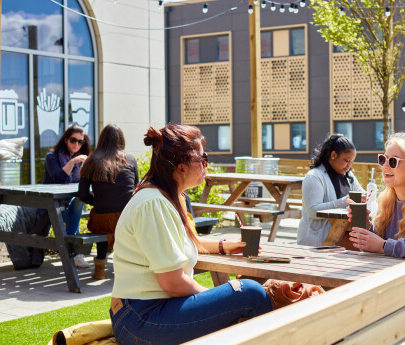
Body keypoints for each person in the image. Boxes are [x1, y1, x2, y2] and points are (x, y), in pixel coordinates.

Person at [110, 125, 272, 345]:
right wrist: (219, 301)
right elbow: (172, 283)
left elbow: (178, 243)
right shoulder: (153, 204)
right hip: (142, 318)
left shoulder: (165, 197)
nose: (207, 164)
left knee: (246, 294)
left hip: (150, 311)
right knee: (250, 292)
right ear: (181, 167)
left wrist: (224, 245)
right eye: (202, 158)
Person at [78, 124, 139, 280]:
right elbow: (135, 190)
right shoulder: (130, 160)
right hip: (127, 220)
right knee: (121, 222)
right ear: (121, 140)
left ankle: (100, 270)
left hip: (103, 220)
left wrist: (99, 202)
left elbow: (83, 194)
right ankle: (128, 268)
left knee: (101, 219)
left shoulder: (91, 161)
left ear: (101, 139)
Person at [297, 133, 365, 246]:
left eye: (351, 162)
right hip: (315, 244)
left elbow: (360, 192)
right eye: (346, 160)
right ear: (333, 155)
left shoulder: (349, 176)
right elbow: (313, 211)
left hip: (340, 239)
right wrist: (346, 201)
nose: (349, 165)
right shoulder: (314, 176)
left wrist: (364, 197)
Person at [43, 124, 92, 268]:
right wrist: (72, 162)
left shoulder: (81, 158)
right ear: (65, 140)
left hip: (70, 203)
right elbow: (59, 177)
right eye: (73, 140)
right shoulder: (52, 156)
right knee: (76, 202)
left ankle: (75, 254)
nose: (77, 144)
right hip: (51, 205)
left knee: (77, 199)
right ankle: (76, 254)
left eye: (80, 141)